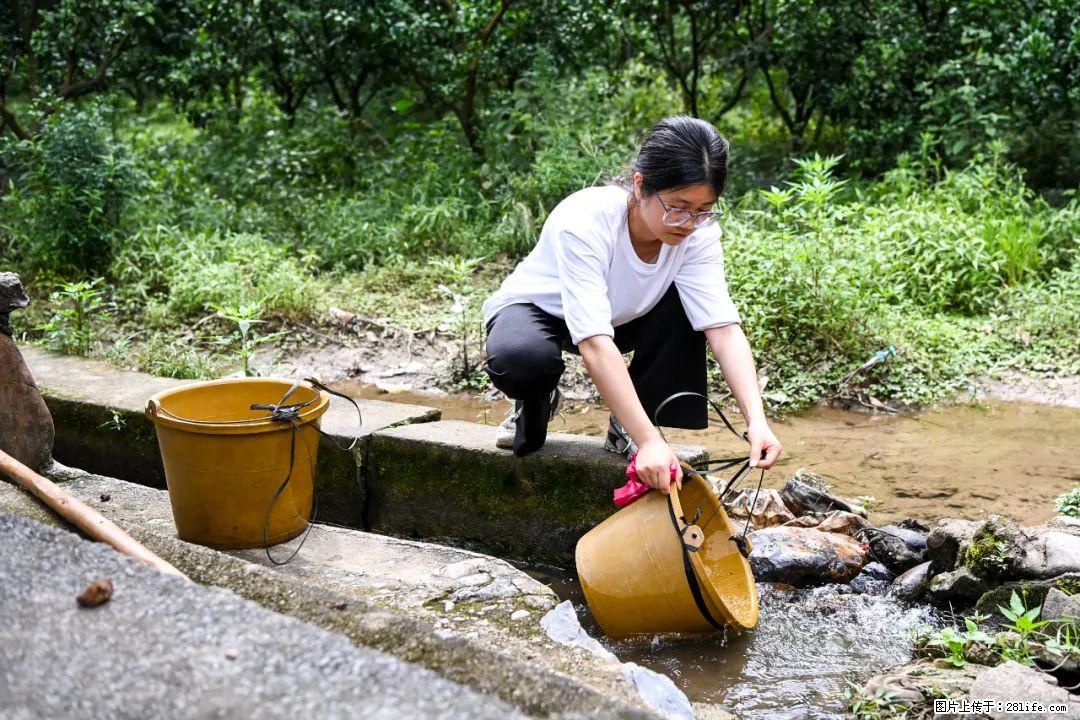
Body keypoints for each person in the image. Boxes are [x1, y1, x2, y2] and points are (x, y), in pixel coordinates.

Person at [481, 115, 781, 494]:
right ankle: (536, 400)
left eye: (704, 209)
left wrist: (756, 420)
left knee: (689, 306)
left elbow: (721, 326)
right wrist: (652, 444)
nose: (689, 222)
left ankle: (634, 420)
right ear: (640, 185)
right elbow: (593, 341)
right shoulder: (585, 220)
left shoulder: (699, 233)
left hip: (623, 315)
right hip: (540, 313)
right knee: (522, 361)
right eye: (677, 206)